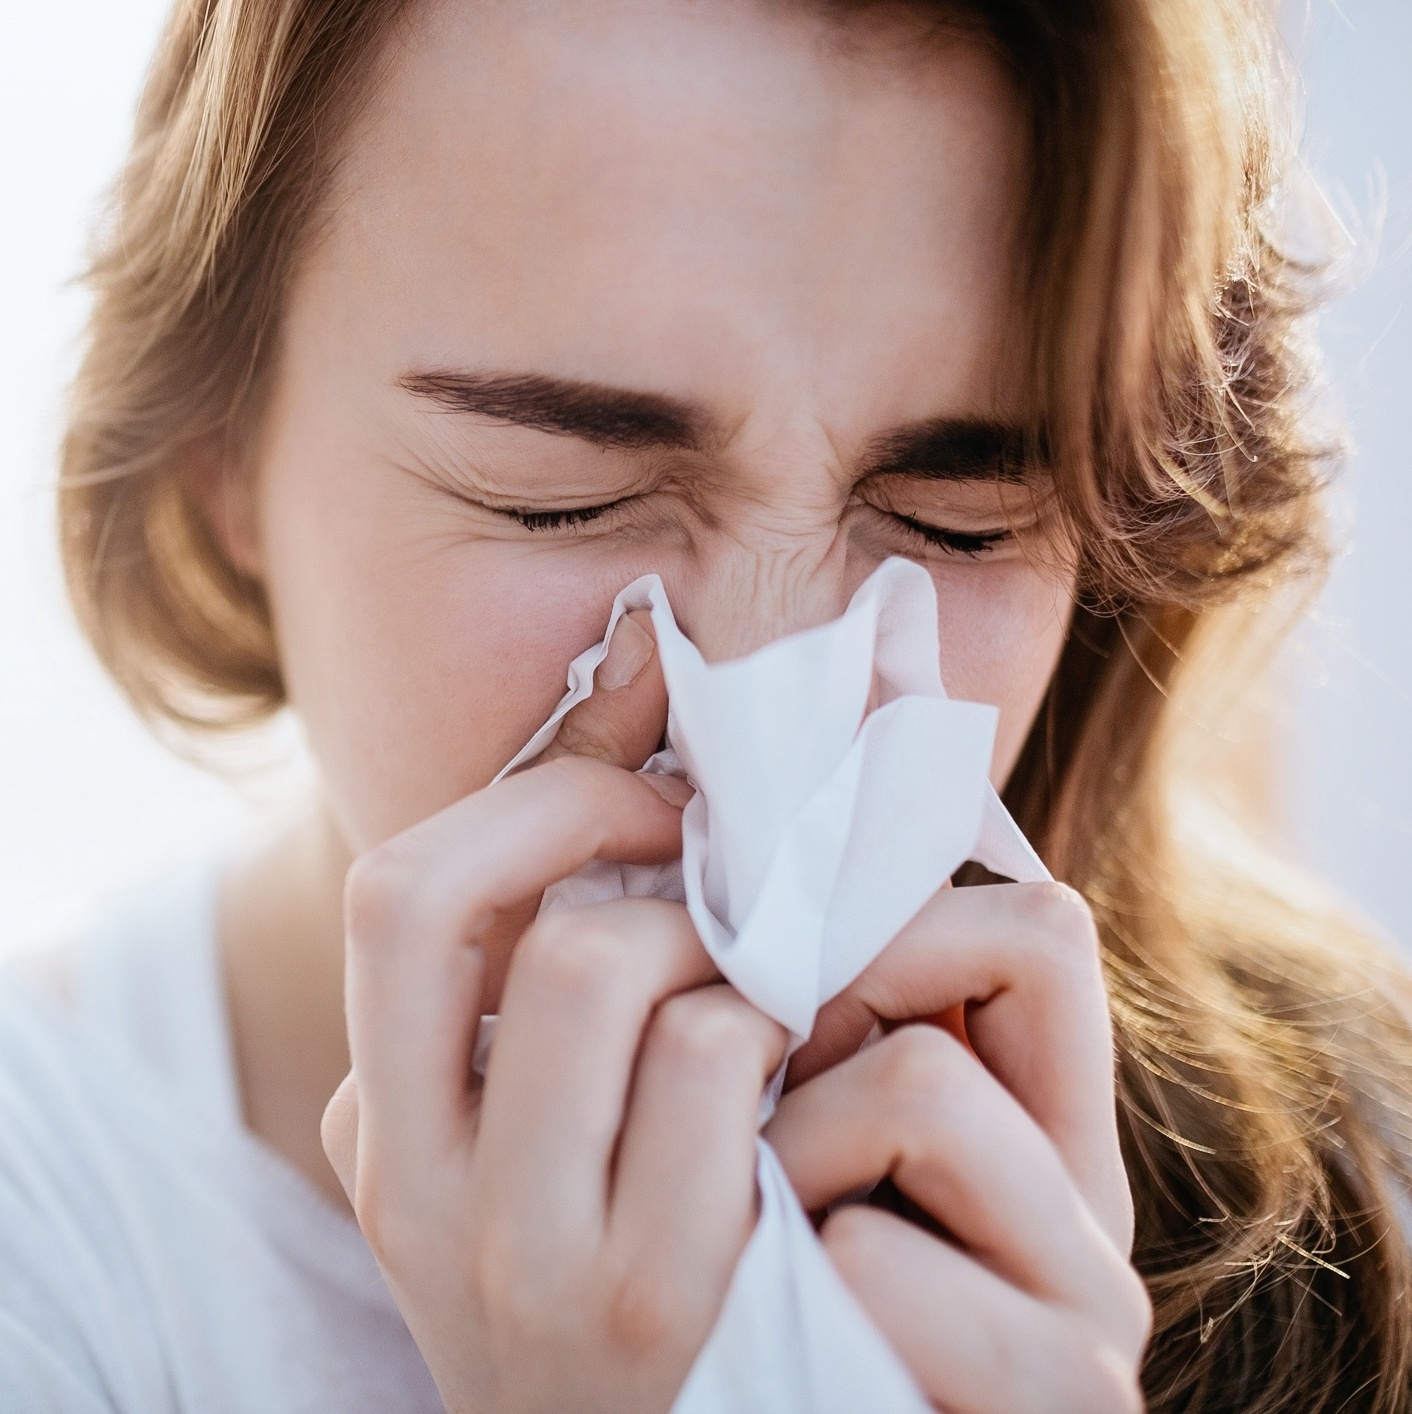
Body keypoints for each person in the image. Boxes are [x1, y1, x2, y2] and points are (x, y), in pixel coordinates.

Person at [4, 0, 1408, 1409]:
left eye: (958, 520)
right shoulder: (46, 1248)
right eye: (562, 500)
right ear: (219, 460)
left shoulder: (1367, 1191)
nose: (761, 723)